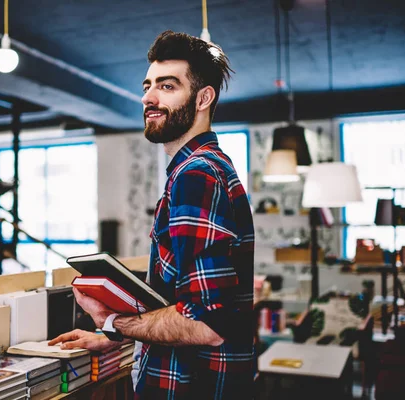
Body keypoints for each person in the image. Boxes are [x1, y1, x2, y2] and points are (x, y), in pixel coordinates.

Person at [49, 30, 255, 399]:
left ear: (203, 97)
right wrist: (111, 338)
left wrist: (110, 319)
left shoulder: (197, 174)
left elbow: (206, 323)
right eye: (148, 86)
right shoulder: (197, 168)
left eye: (167, 86)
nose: (148, 97)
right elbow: (176, 305)